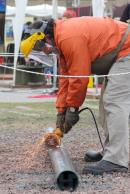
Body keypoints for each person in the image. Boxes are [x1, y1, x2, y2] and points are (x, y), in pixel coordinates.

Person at [21, 17, 130, 175]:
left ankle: (116, 159)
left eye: (40, 46)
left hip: (126, 52)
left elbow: (79, 78)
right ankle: (111, 151)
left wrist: (72, 110)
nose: (44, 51)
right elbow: (66, 79)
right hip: (120, 55)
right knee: (105, 106)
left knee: (114, 102)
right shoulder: (62, 39)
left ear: (47, 37)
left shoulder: (68, 38)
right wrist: (61, 112)